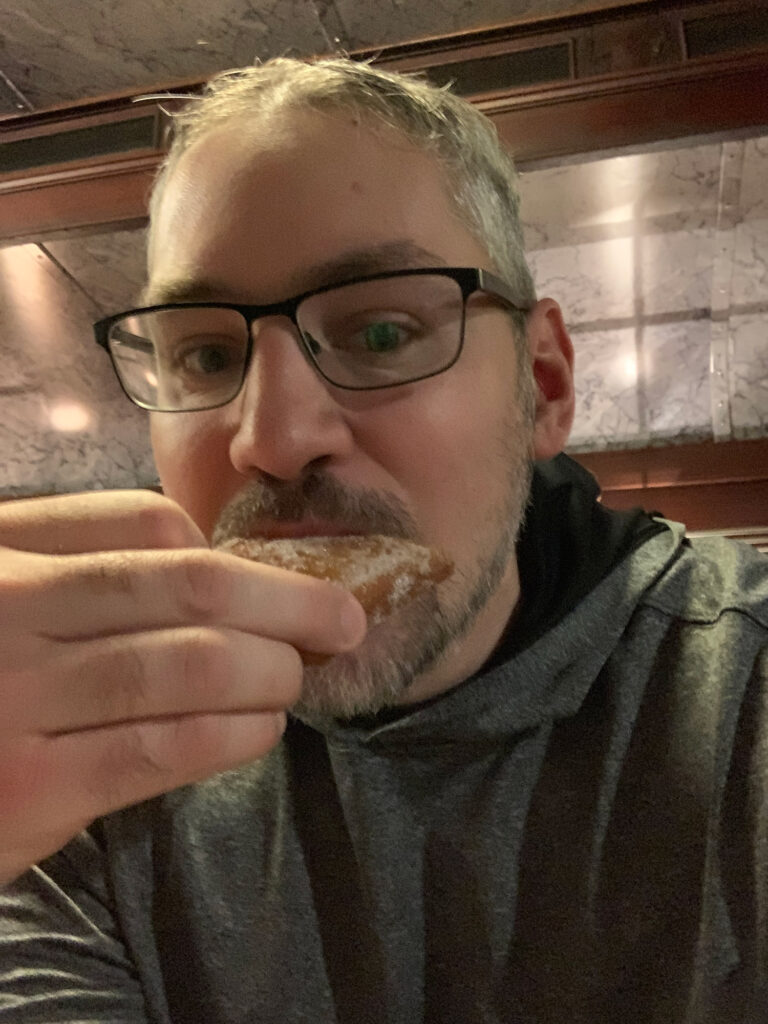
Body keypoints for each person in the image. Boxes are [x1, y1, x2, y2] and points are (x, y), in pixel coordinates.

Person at [0, 56, 766, 1024]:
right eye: (205, 353)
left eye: (381, 332)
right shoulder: (75, 763)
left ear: (545, 386)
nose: (271, 441)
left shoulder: (741, 701)